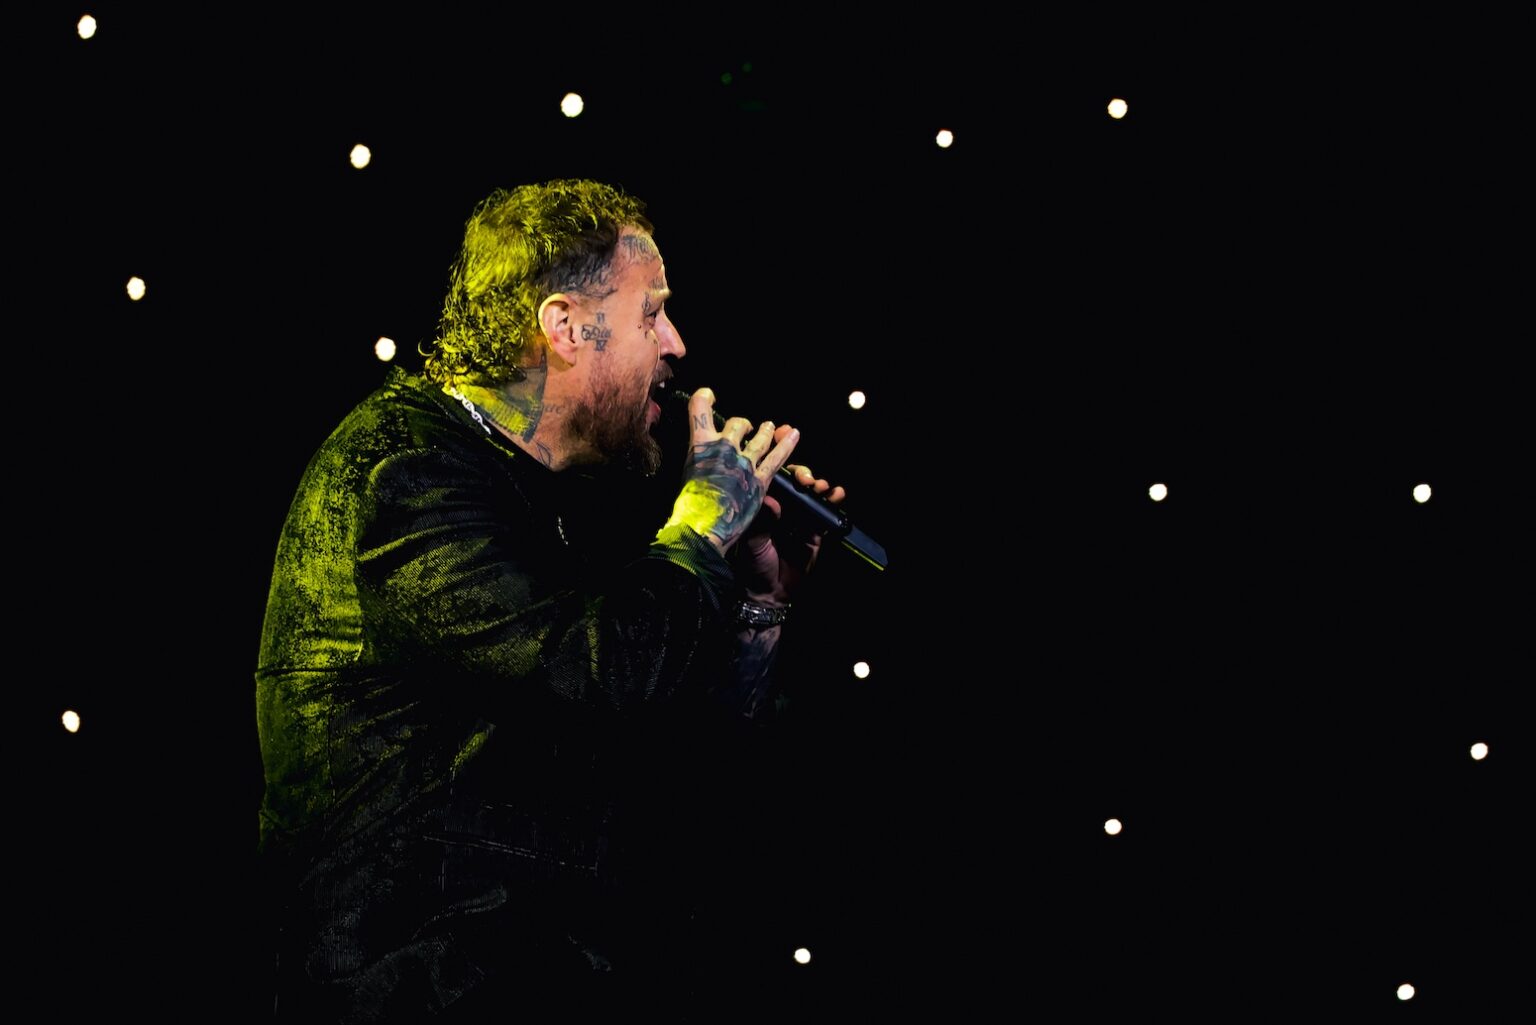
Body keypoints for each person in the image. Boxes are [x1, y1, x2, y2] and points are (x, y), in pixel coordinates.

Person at [254, 178, 844, 1020]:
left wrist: (758, 604)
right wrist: (700, 527)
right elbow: (591, 674)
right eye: (652, 313)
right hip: (412, 986)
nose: (676, 343)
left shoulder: (555, 499)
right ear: (565, 326)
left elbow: (661, 772)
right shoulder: (405, 469)